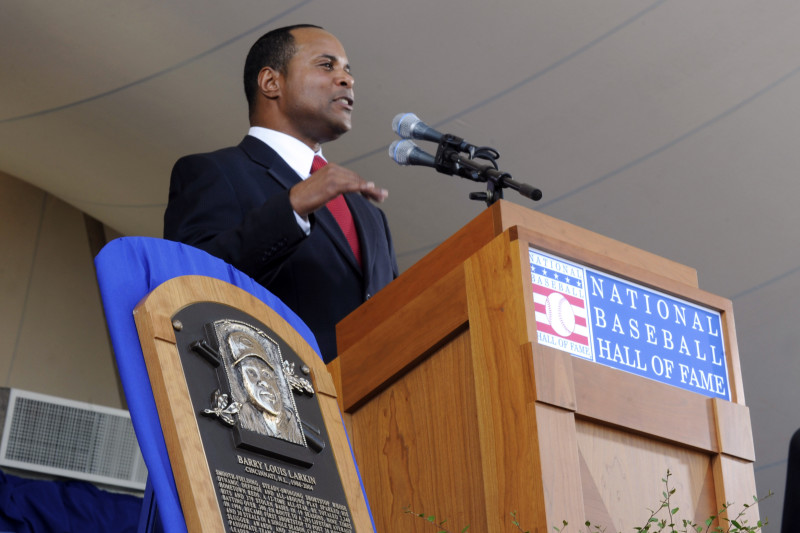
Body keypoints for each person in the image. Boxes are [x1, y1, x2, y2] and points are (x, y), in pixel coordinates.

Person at [164, 25, 398, 363]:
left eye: (348, 70)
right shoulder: (215, 172)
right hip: (284, 404)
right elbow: (190, 287)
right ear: (271, 82)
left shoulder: (369, 214)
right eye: (326, 65)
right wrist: (292, 208)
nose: (347, 80)